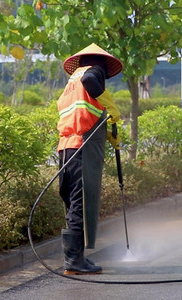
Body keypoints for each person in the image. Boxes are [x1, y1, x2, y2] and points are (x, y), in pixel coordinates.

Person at [57, 43, 122, 275]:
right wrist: (110, 105)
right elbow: (91, 82)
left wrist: (105, 130)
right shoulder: (93, 72)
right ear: (102, 63)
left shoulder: (71, 81)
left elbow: (82, 115)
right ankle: (73, 262)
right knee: (80, 204)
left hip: (66, 149)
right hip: (81, 149)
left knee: (73, 204)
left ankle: (76, 260)